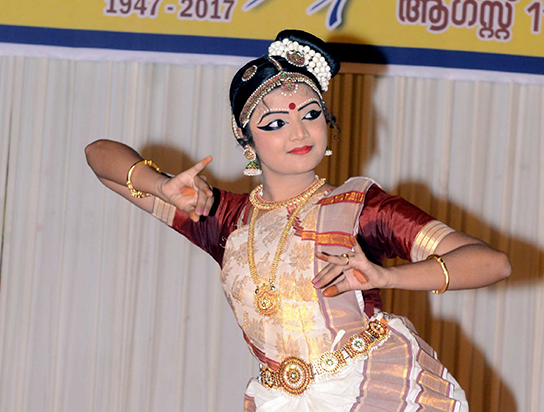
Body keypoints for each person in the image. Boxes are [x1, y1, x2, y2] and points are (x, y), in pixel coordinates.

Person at [85, 30, 511, 412]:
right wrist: (160, 186)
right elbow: (99, 154)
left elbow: (493, 263)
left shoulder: (362, 208)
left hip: (371, 392)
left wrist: (387, 276)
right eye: (275, 123)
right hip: (281, 401)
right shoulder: (220, 215)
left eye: (310, 115)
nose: (299, 133)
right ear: (245, 137)